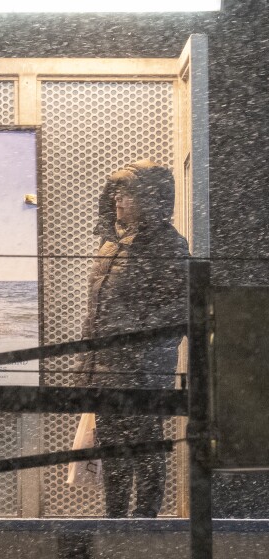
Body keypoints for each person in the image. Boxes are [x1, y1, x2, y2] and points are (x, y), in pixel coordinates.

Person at [81, 159, 189, 518]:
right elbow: (95, 311)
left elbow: (179, 311)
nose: (118, 202)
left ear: (152, 198)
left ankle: (145, 525)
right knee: (112, 445)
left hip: (143, 369)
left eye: (127, 194)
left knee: (145, 445)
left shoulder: (169, 247)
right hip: (107, 367)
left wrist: (134, 338)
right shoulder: (110, 246)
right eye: (116, 194)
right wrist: (85, 365)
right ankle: (115, 520)